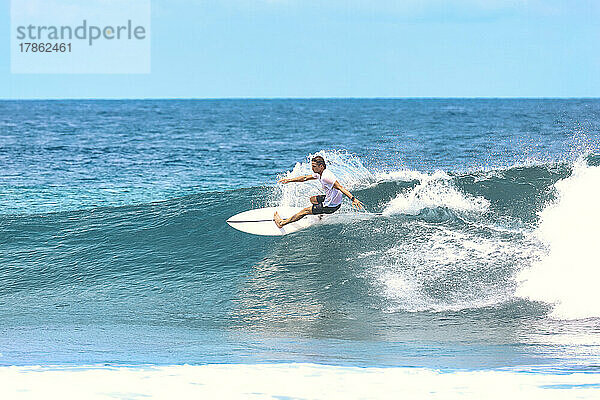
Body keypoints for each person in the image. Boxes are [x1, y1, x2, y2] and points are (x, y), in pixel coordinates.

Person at [274, 156, 364, 228]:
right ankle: (320, 215)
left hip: (331, 206)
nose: (312, 168)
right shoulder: (319, 173)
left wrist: (353, 199)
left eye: (314, 166)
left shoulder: (326, 177)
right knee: (313, 199)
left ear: (321, 166)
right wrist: (289, 180)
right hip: (331, 200)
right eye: (312, 166)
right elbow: (305, 178)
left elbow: (340, 187)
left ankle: (282, 223)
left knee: (304, 211)